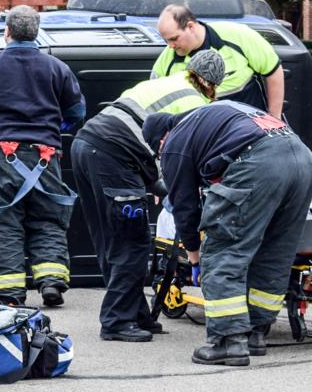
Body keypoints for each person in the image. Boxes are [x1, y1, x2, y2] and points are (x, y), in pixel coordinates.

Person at [143, 84, 312, 366]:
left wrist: (195, 254)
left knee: (224, 253)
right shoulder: (215, 114)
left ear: (160, 141)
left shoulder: (174, 144)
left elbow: (184, 207)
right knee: (274, 252)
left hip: (259, 162)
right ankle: (256, 333)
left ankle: (229, 341)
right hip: (302, 160)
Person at [71, 53, 219, 342]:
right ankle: (116, 321)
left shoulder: (163, 82)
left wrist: (154, 184)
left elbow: (148, 135)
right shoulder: (195, 105)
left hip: (86, 146)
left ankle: (135, 313)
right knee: (133, 241)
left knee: (110, 239)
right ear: (213, 85)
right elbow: (181, 159)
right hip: (116, 156)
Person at [0, 5, 86, 307]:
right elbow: (77, 113)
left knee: (1, 223)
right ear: (35, 32)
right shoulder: (57, 68)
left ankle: (9, 295)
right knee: (48, 220)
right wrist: (51, 128)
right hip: (46, 159)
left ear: (6, 31)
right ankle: (51, 283)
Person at [152, 4, 285, 118]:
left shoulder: (238, 35)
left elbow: (273, 70)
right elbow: (157, 102)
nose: (170, 46)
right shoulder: (166, 61)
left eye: (174, 38)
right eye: (166, 40)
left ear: (191, 27)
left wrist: (274, 117)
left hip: (251, 121)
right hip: (203, 131)